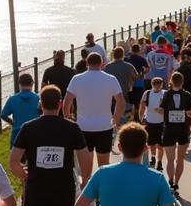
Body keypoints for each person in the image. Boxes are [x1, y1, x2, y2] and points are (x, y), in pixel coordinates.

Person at [63, 53, 125, 186]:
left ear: (86, 63)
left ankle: (86, 197)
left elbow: (67, 100)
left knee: (86, 170)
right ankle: (102, 197)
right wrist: (115, 119)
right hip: (104, 126)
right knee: (104, 167)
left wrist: (67, 117)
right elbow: (121, 101)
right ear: (102, 63)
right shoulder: (110, 79)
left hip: (83, 127)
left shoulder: (77, 78)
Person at [160, 72, 191, 194]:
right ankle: (176, 183)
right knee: (180, 159)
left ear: (171, 81)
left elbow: (161, 110)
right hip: (183, 129)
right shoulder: (187, 95)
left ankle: (171, 181)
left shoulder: (166, 94)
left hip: (169, 128)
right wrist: (189, 113)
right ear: (182, 82)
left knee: (170, 159)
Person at [0, 72, 41, 139]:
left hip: (17, 134)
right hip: (34, 133)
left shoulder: (12, 99)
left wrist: (12, 123)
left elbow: (3, 115)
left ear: (19, 84)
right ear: (32, 83)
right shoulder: (38, 98)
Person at [138, 77, 167, 172]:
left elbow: (169, 107)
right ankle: (153, 157)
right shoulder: (147, 93)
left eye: (160, 85)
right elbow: (142, 106)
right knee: (151, 144)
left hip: (162, 123)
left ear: (162, 85)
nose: (158, 87)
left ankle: (159, 162)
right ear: (152, 85)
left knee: (161, 145)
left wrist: (163, 111)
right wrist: (140, 118)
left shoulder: (165, 93)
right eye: (156, 85)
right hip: (150, 122)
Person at [105, 47, 139, 123]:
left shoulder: (107, 67)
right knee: (125, 115)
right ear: (123, 55)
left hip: (111, 95)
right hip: (124, 93)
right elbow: (135, 77)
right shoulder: (129, 66)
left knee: (111, 114)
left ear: (113, 55)